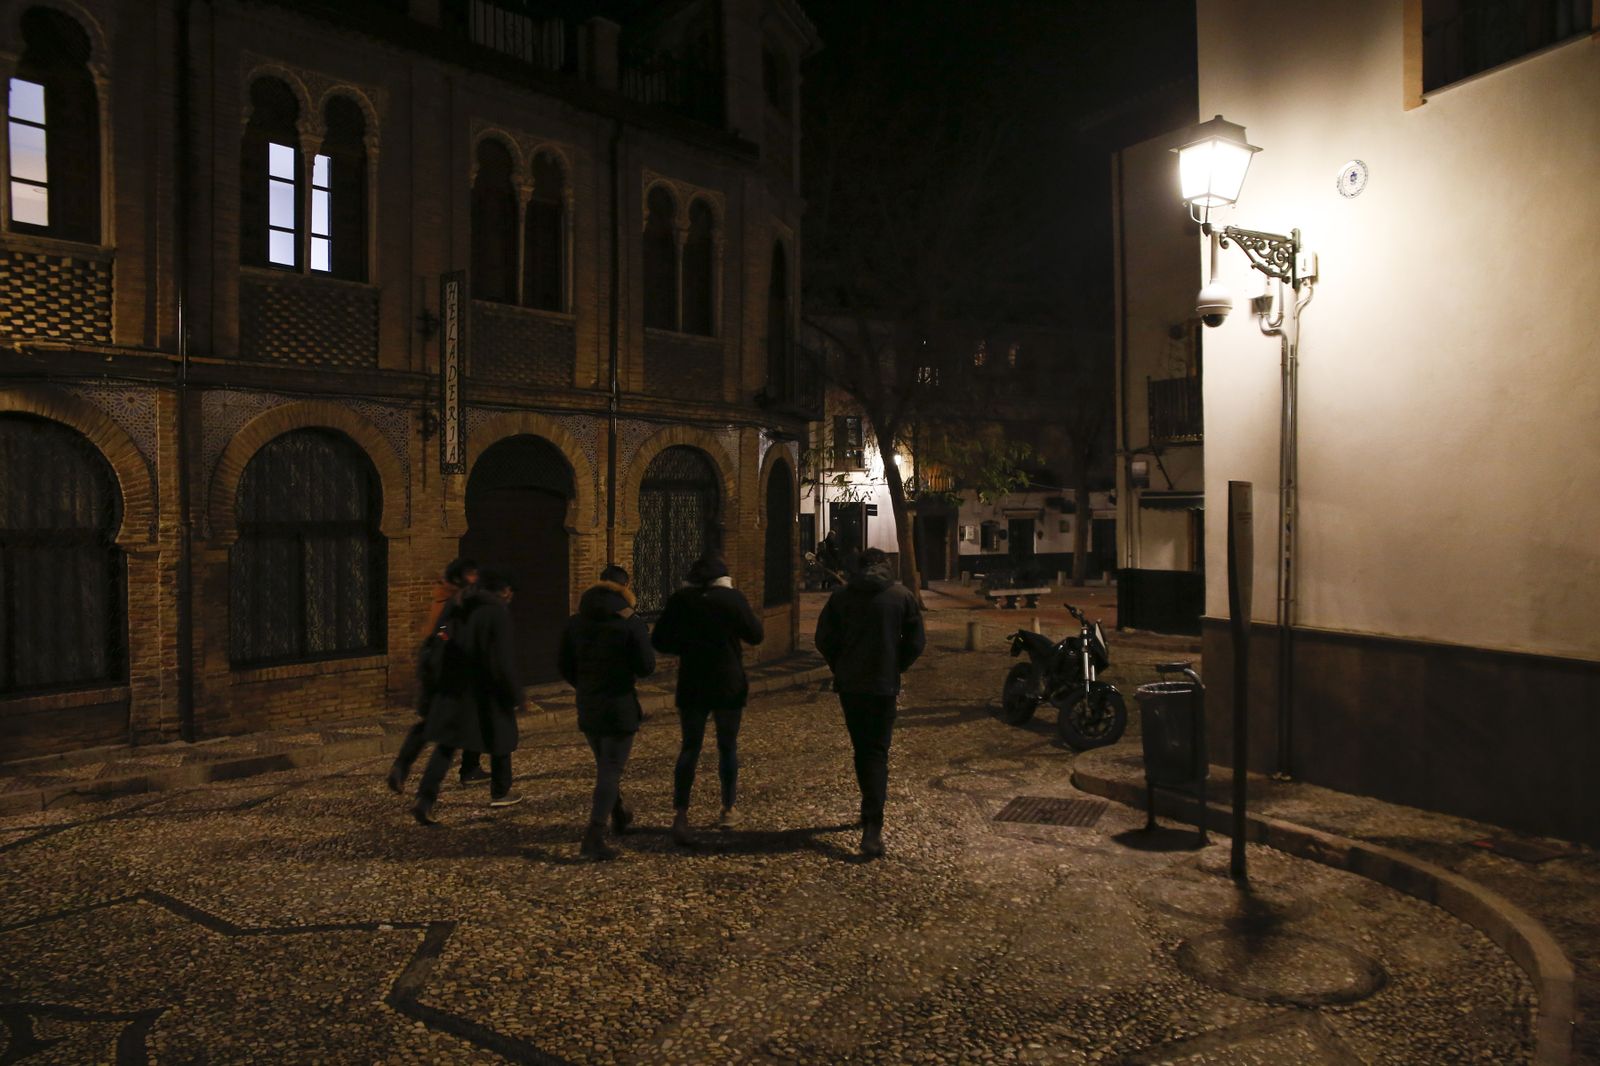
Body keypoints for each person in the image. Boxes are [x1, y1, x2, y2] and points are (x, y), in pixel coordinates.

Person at [813, 546, 925, 858]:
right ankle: (872, 824)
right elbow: (916, 643)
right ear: (886, 566)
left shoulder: (841, 597)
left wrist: (841, 664)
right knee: (877, 751)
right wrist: (896, 665)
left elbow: (823, 639)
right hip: (883, 684)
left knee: (864, 749)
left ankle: (869, 813)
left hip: (851, 686)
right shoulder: (902, 597)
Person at [650, 552, 764, 845]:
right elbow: (755, 635)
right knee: (728, 747)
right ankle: (728, 808)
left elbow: (659, 640)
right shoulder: (732, 599)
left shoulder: (680, 601)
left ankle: (681, 813)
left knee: (690, 747)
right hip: (728, 682)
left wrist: (686, 644)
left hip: (692, 682)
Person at [410, 569, 524, 825]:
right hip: (486, 687)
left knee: (448, 743)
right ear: (503, 591)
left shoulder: (457, 605)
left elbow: (439, 637)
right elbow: (502, 660)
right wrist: (516, 694)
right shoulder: (496, 613)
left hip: (453, 686)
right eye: (510, 593)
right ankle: (501, 791)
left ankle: (427, 797)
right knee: (501, 738)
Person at [558, 563, 656, 860]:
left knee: (605, 765)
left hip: (588, 702)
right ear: (626, 588)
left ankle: (619, 814)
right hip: (619, 703)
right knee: (610, 768)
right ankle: (594, 835)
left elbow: (564, 665)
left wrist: (585, 684)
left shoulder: (576, 622)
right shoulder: (629, 621)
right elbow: (647, 666)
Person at [388, 556, 480, 793]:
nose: (476, 577)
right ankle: (439, 786)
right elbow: (442, 638)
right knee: (452, 729)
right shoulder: (454, 603)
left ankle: (403, 766)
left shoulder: (445, 598)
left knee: (431, 724)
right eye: (471, 573)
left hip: (435, 672)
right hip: (447, 675)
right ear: (460, 576)